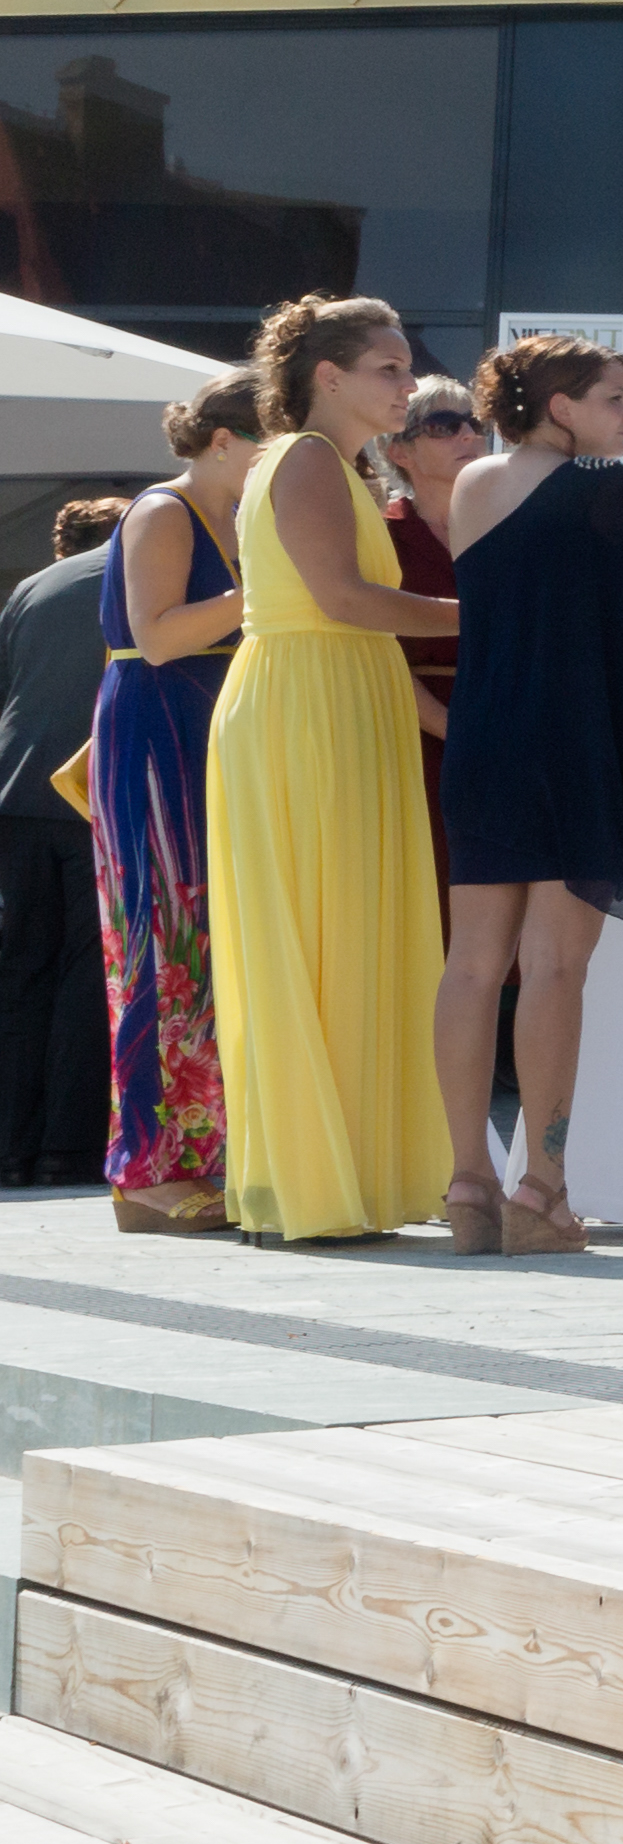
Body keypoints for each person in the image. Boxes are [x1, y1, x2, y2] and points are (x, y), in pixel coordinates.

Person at [430, 335, 623, 1253]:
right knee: (552, 966)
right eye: (615, 398)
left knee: (470, 964)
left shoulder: (470, 484)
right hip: (570, 741)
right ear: (560, 406)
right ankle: (540, 1189)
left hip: (486, 736)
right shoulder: (609, 494)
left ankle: (468, 1183)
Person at [207, 297, 459, 1246]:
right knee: (320, 931)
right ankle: (314, 1177)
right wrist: (486, 611)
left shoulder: (339, 464)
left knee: (354, 928)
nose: (407, 384)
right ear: (330, 377)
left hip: (343, 697)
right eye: (390, 370)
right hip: (307, 702)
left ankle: (349, 1167)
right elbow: (343, 598)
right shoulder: (307, 458)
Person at [84, 377, 256, 1232]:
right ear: (224, 439)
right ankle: (145, 1170)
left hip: (206, 727)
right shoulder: (165, 511)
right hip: (155, 731)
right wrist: (265, 584)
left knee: (207, 943)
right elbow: (154, 635)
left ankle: (203, 1151)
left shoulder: (232, 517)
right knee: (159, 941)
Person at [0, 497, 131, 1186]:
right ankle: (67, 1145)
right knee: (88, 970)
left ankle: (14, 1143)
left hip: (18, 791)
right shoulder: (139, 566)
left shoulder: (31, 585)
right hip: (88, 789)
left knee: (23, 970)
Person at [378, 378, 477, 890]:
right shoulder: (380, 534)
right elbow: (380, 652)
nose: (468, 436)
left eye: (473, 423)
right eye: (445, 425)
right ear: (399, 449)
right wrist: (461, 732)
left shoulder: (508, 528)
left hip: (507, 730)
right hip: (410, 737)